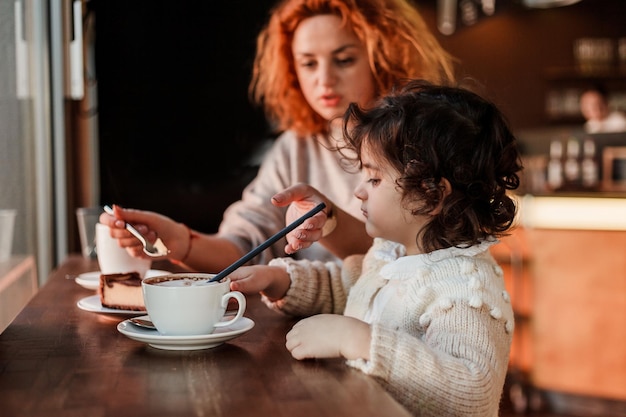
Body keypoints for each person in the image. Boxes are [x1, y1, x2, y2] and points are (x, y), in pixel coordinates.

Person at [228, 79, 523, 417]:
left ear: (432, 195)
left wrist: (360, 341)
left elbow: (472, 392)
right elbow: (351, 288)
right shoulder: (392, 252)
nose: (359, 192)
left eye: (374, 179)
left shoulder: (464, 288)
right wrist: (280, 280)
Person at [99, 0, 456, 272]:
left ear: (382, 58)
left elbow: (413, 254)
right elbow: (246, 243)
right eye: (308, 63)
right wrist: (181, 243)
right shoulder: (296, 147)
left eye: (343, 60)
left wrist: (327, 219)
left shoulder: (420, 142)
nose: (324, 80)